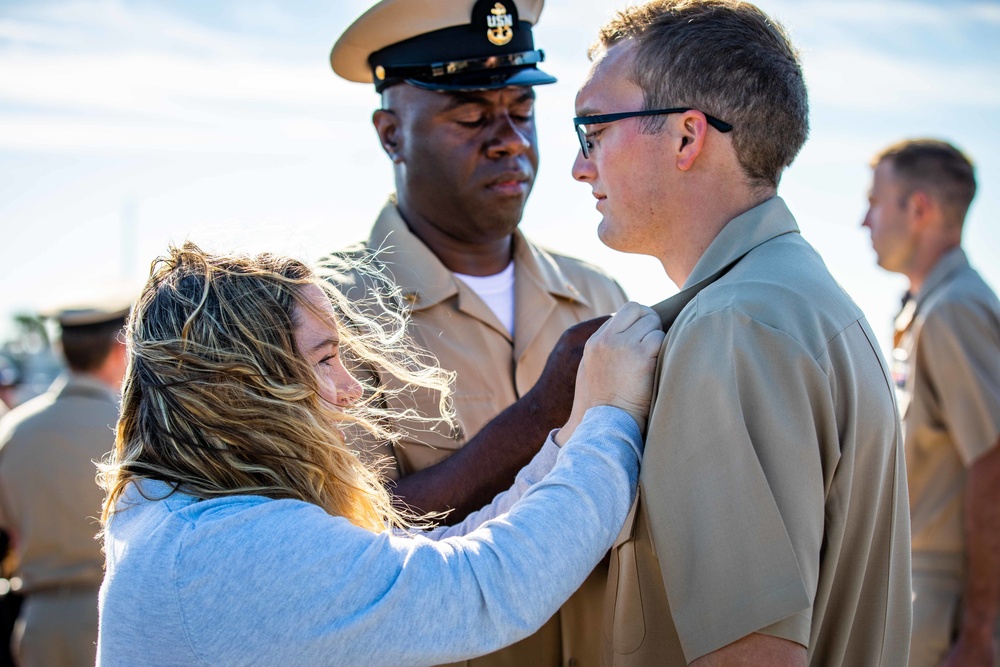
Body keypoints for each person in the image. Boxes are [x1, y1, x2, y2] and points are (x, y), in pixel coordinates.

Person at [95, 243, 663, 666]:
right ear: (245, 387)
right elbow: (486, 586)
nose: (351, 388)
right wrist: (612, 414)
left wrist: (566, 443)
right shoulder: (232, 547)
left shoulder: (185, 517)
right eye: (324, 360)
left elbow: (425, 557)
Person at [570, 1, 912, 664]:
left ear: (687, 138)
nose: (581, 167)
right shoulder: (793, 299)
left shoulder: (732, 328)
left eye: (593, 130)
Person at [326, 2, 627, 664]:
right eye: (470, 116)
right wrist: (542, 415)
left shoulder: (598, 294)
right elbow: (347, 547)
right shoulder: (324, 316)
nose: (510, 140)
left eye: (522, 111)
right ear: (390, 134)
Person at [863, 138, 1000, 667]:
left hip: (947, 608)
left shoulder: (954, 311)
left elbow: (992, 464)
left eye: (875, 202)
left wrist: (981, 631)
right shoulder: (927, 309)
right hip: (921, 591)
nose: (863, 221)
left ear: (917, 209)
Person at [0, 299, 129, 667]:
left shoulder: (13, 432)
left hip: (40, 620)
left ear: (61, 349)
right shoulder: (134, 428)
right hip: (116, 612)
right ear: (122, 349)